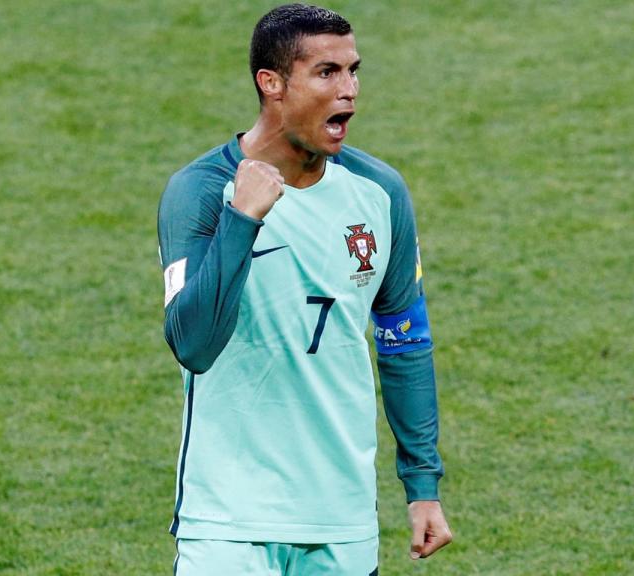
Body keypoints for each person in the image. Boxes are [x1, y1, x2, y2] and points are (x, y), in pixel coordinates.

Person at [157, 4, 451, 574]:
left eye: (353, 70)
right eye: (327, 73)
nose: (350, 92)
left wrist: (422, 483)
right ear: (271, 84)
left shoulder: (379, 192)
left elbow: (404, 339)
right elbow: (193, 345)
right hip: (229, 519)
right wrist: (242, 220)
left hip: (342, 518)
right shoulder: (200, 192)